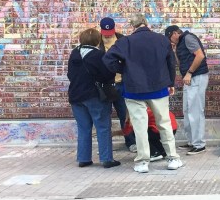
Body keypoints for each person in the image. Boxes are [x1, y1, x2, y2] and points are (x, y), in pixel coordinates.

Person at [103, 14, 184, 173]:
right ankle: (173, 158)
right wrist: (170, 83)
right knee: (164, 123)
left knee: (139, 127)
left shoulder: (125, 42)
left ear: (132, 26)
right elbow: (171, 62)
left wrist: (123, 70)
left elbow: (108, 59)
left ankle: (142, 162)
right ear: (146, 23)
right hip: (159, 87)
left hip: (134, 89)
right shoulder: (161, 40)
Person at [67, 28, 120, 169]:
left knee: (83, 127)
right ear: (98, 40)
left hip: (76, 95)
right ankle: (106, 158)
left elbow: (70, 75)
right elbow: (107, 75)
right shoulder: (99, 55)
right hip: (95, 95)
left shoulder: (74, 53)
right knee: (102, 126)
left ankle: (83, 158)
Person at [165, 25, 208, 155]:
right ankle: (192, 142)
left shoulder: (188, 38)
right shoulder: (180, 43)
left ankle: (199, 144)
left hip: (197, 77)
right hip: (189, 78)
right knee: (188, 110)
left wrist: (189, 72)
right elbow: (181, 62)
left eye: (170, 38)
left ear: (174, 33)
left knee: (196, 110)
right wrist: (175, 50)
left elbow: (200, 56)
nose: (170, 41)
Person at [98, 17, 136, 152]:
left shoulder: (122, 40)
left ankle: (131, 142)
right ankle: (105, 145)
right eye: (105, 32)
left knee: (124, 114)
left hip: (121, 82)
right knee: (104, 115)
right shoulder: (97, 42)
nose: (108, 34)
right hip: (105, 85)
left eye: (110, 31)